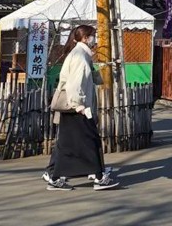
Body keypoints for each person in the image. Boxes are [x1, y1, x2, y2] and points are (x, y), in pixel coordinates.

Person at [41, 25, 119, 191]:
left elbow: (85, 78)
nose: (94, 39)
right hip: (77, 107)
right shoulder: (80, 56)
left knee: (68, 143)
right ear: (85, 38)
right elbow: (75, 84)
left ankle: (55, 176)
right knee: (89, 141)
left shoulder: (81, 54)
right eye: (93, 36)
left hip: (73, 107)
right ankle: (98, 177)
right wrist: (79, 106)